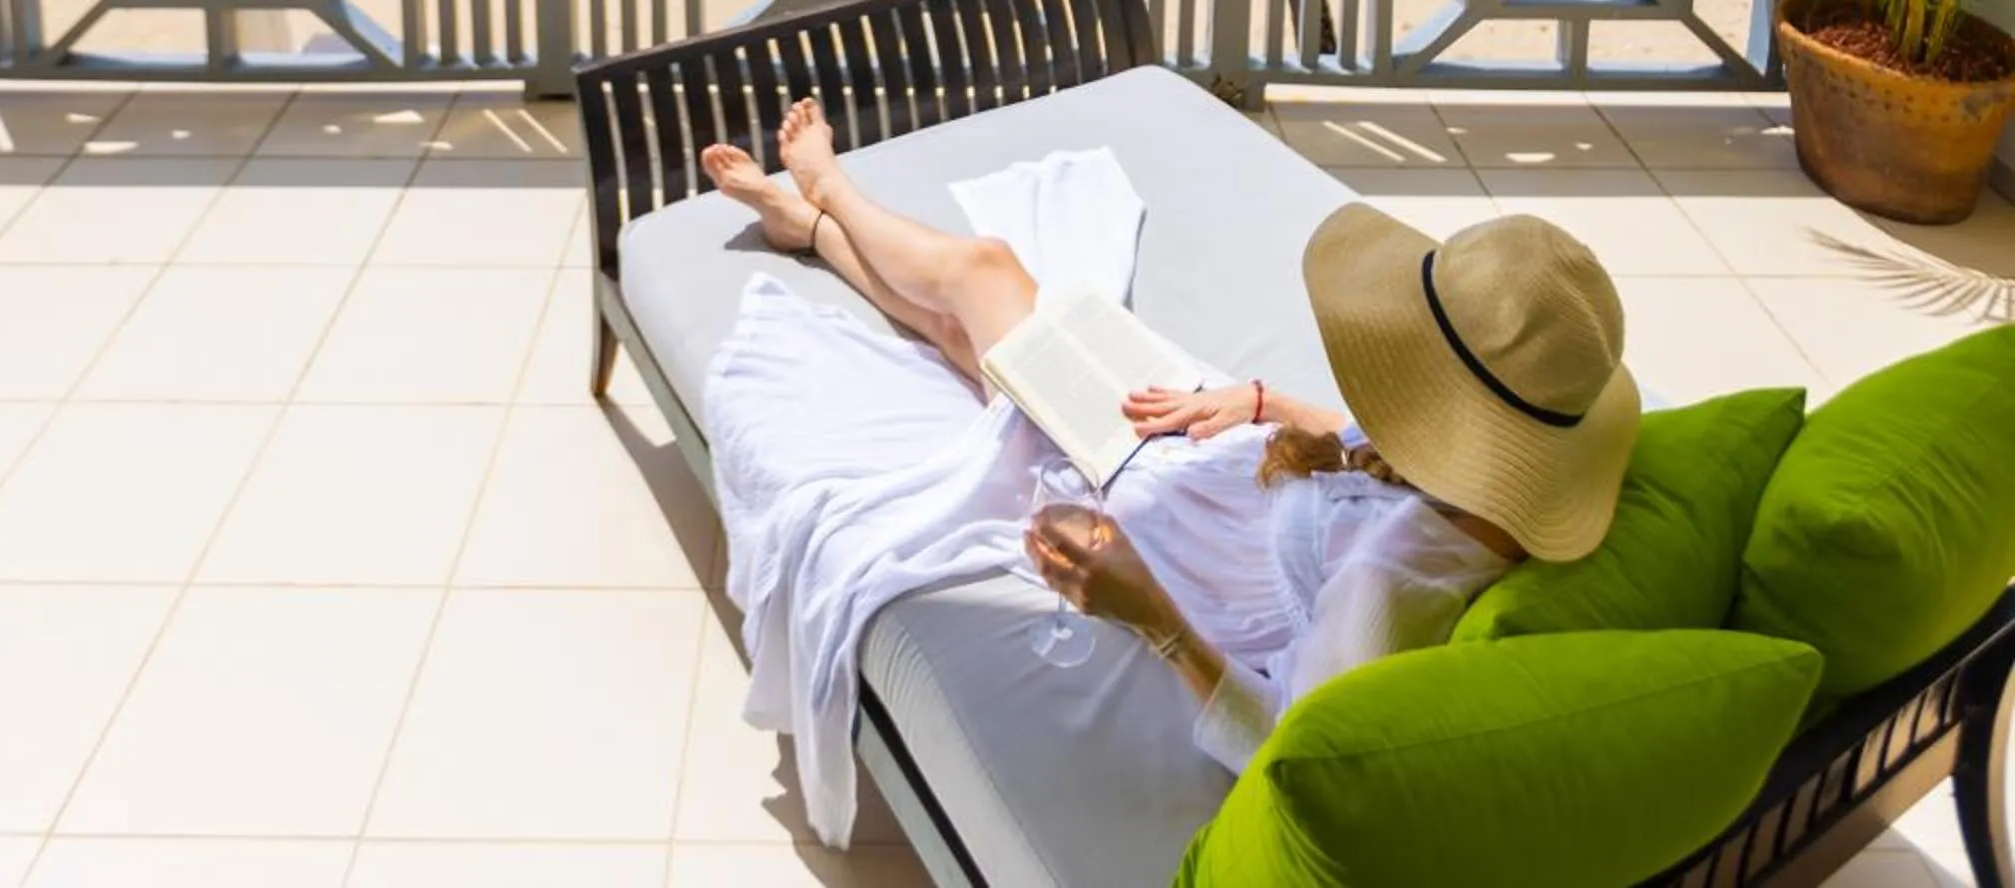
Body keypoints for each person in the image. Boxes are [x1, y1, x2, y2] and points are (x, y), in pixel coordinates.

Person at [700, 96, 1638, 847]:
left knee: (983, 279)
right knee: (984, 345)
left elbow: (1282, 746)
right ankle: (814, 224)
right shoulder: (1508, 486)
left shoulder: (1390, 593)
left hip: (1166, 502)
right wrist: (1267, 401)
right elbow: (1399, 452)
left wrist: (1147, 611)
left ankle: (827, 196)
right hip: (1216, 453)